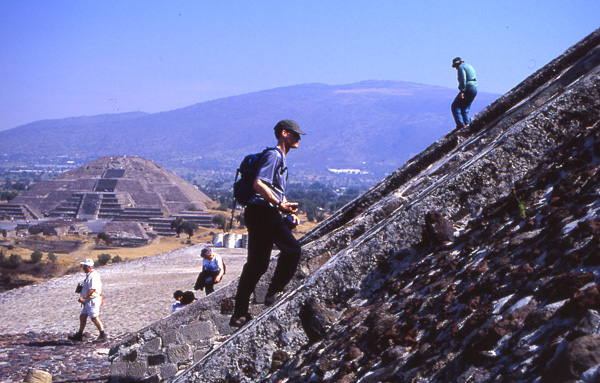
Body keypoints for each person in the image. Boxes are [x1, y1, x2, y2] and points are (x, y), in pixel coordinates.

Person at [230, 119, 305, 328]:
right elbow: (259, 184)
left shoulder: (279, 157)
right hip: (263, 211)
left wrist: (285, 206)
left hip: (258, 212)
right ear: (284, 133)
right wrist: (279, 205)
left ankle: (239, 313)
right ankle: (274, 293)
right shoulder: (274, 155)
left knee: (257, 264)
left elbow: (271, 188)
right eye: (295, 134)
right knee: (292, 250)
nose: (298, 138)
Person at [68, 259, 106, 341]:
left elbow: (92, 289)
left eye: (84, 267)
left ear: (89, 267)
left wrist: (83, 297)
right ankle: (79, 334)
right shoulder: (91, 275)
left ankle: (103, 334)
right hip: (88, 300)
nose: (83, 268)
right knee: (83, 316)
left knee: (94, 318)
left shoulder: (92, 276)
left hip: (91, 300)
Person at [451, 57, 478, 128]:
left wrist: (462, 91)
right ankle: (467, 123)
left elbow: (463, 79)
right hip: (474, 88)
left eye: (455, 66)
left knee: (455, 106)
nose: (456, 68)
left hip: (467, 88)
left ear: (457, 63)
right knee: (465, 107)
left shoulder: (461, 67)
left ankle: (460, 125)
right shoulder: (469, 66)